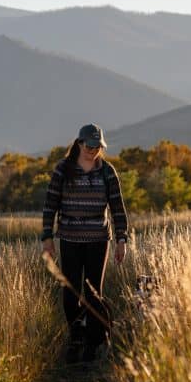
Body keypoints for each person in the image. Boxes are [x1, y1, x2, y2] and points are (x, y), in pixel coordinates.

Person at [41, 123, 129, 363]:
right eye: (90, 145)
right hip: (69, 236)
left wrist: (122, 239)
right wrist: (47, 236)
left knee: (93, 292)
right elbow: (50, 204)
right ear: (79, 143)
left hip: (98, 238)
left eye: (98, 146)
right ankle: (76, 336)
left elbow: (117, 208)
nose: (94, 150)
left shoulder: (107, 171)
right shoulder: (63, 169)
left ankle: (94, 343)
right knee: (70, 290)